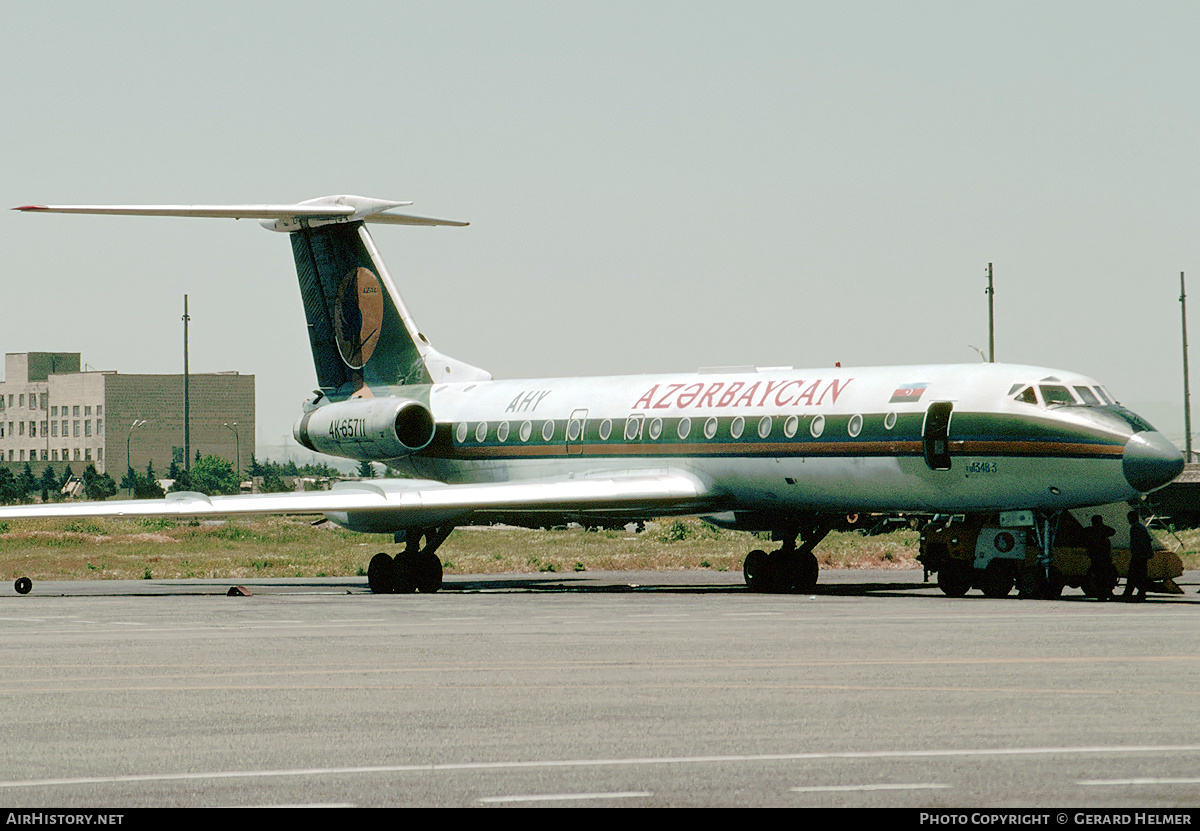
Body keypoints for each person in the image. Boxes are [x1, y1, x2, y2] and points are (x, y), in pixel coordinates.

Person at [1082, 514, 1117, 600]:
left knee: (1099, 576)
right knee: (1105, 576)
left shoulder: (1091, 531)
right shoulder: (1103, 530)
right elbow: (1112, 531)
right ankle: (1107, 591)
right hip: (1103, 557)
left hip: (1096, 558)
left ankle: (1102, 592)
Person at [1122, 510, 1153, 602]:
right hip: (1142, 555)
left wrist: (1135, 552)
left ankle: (1129, 593)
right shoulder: (1141, 527)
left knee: (1133, 574)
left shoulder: (1135, 528)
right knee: (1140, 575)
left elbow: (1137, 542)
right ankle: (1139, 592)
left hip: (1138, 556)